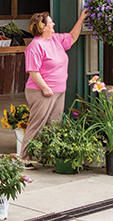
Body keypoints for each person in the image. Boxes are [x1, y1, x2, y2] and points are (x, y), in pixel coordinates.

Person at [20, 9, 87, 165]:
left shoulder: (55, 40)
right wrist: (45, 88)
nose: (54, 24)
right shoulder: (35, 46)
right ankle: (24, 159)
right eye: (51, 22)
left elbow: (72, 37)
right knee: (37, 124)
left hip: (58, 90)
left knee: (54, 125)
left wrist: (81, 18)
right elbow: (33, 71)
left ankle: (48, 156)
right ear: (43, 28)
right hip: (41, 91)